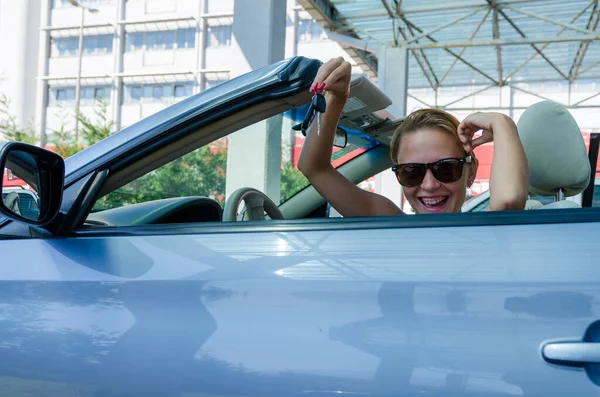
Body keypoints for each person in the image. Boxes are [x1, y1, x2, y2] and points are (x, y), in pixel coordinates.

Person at [298, 57, 529, 216]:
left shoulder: (488, 229)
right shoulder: (392, 225)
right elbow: (315, 168)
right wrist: (336, 98)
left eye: (446, 168)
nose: (429, 185)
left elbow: (509, 201)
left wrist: (502, 122)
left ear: (471, 173)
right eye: (411, 172)